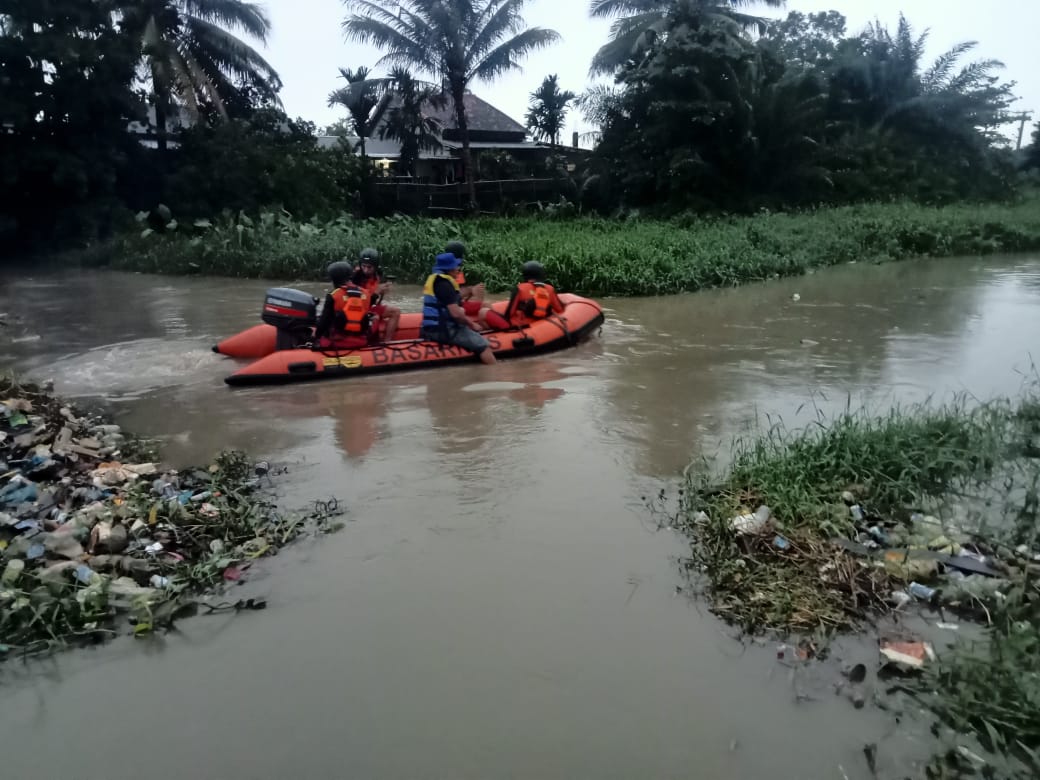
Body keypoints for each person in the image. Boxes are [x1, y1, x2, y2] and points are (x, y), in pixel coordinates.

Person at [421, 252, 497, 365]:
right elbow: (455, 314)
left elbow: (452, 300)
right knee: (484, 346)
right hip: (445, 330)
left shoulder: (435, 279)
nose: (458, 268)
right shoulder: (445, 285)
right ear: (450, 269)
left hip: (429, 329)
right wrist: (472, 325)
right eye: (456, 266)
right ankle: (495, 373)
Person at [314, 261, 377, 347]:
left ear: (334, 279)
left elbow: (324, 321)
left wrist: (316, 336)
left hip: (337, 342)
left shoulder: (333, 295)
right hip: (361, 341)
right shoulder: (366, 294)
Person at [494, 260, 566, 328]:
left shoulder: (519, 289)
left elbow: (509, 314)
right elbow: (560, 309)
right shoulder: (550, 289)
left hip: (523, 326)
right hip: (543, 324)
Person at [353, 247, 400, 342]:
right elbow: (358, 302)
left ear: (375, 266)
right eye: (363, 266)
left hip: (370, 305)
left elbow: (374, 301)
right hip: (357, 309)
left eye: (369, 267)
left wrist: (381, 292)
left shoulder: (378, 274)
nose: (366, 270)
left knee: (396, 312)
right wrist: (376, 293)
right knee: (375, 317)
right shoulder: (355, 277)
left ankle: (387, 343)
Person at [445, 240, 493, 327]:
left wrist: (471, 292)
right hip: (451, 307)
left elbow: (457, 292)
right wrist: (471, 290)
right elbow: (453, 295)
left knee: (482, 300)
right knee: (486, 304)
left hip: (455, 304)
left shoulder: (453, 269)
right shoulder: (451, 271)